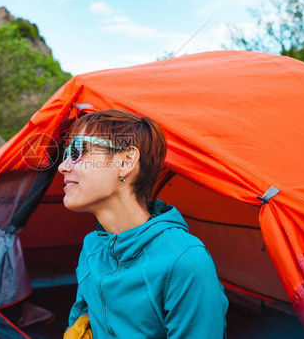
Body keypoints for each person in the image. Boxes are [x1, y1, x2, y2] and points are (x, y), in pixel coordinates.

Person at [59, 110, 228, 338]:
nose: (63, 166)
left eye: (78, 151)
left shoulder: (185, 261)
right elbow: (80, 321)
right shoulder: (93, 247)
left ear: (126, 161)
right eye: (66, 154)